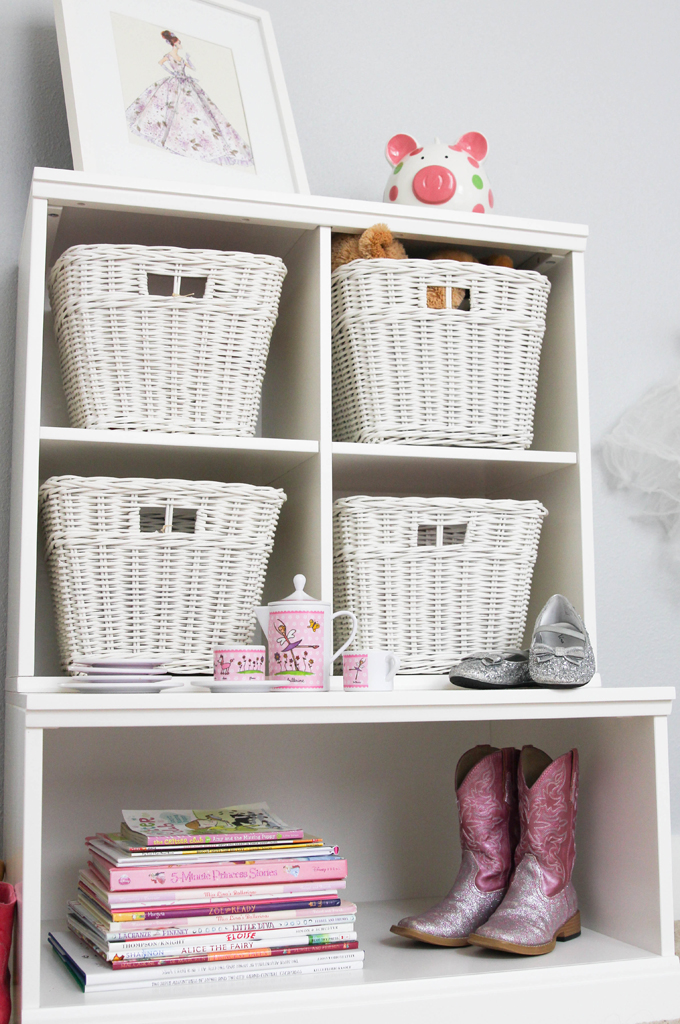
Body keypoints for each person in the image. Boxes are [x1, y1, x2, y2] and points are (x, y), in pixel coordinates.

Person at [125, 29, 254, 168]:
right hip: (175, 82)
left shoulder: (181, 58)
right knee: (171, 108)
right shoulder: (169, 56)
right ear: (174, 44)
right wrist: (172, 73)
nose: (181, 45)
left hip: (186, 82)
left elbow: (193, 68)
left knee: (196, 109)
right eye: (179, 43)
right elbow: (160, 63)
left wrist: (189, 61)